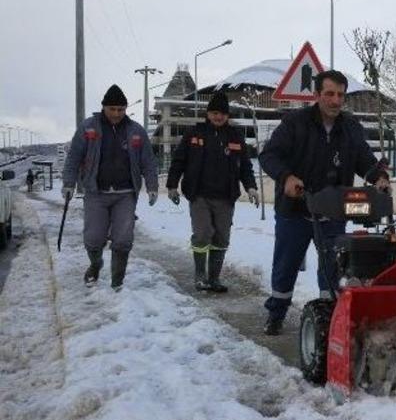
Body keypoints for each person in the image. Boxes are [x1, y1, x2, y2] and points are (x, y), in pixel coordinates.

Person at [259, 70, 390, 336]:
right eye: (329, 94)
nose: (335, 100)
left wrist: (378, 177)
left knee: (333, 268)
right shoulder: (295, 122)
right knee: (286, 265)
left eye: (340, 95)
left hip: (333, 210)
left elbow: (364, 158)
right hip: (295, 209)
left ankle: (328, 319)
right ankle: (276, 313)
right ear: (317, 95)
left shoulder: (351, 127)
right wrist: (286, 177)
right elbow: (269, 156)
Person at [61, 84, 159, 290]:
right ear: (104, 107)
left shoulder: (136, 131)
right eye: (112, 109)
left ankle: (117, 282)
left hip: (125, 194)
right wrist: (69, 183)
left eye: (121, 109)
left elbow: (148, 161)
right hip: (96, 192)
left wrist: (152, 186)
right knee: (93, 238)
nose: (116, 114)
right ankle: (96, 264)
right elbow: (73, 157)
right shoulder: (89, 128)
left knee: (123, 239)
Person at [166, 90, 259, 292]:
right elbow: (179, 160)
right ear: (208, 114)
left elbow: (245, 166)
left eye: (223, 114)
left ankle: (214, 279)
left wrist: (251, 187)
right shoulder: (195, 133)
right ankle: (200, 277)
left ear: (228, 116)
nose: (218, 117)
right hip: (199, 194)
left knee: (221, 237)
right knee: (202, 233)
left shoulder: (235, 137)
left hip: (226, 197)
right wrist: (172, 185)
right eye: (215, 113)